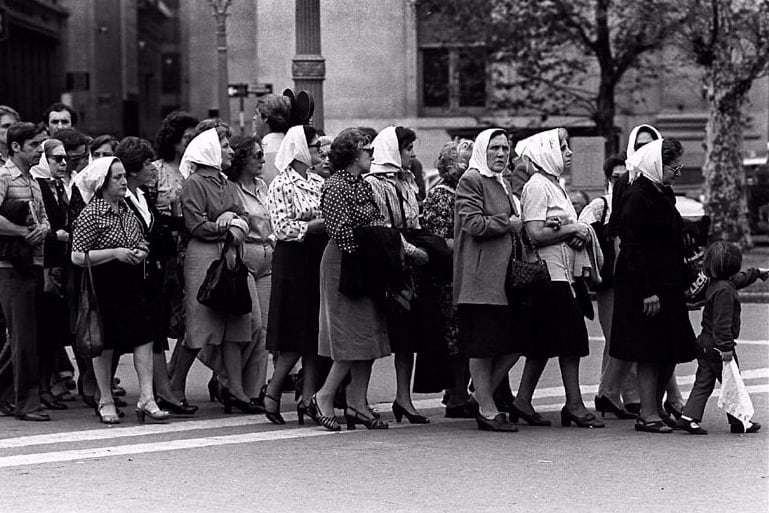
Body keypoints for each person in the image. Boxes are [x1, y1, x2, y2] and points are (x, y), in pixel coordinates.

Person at [513, 128, 605, 429]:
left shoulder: (554, 185)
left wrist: (572, 231)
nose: (568, 152)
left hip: (562, 273)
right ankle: (574, 404)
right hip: (549, 275)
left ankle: (523, 400)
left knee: (544, 343)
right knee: (571, 341)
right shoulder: (538, 186)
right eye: (562, 147)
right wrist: (571, 230)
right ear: (546, 151)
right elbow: (535, 233)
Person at [70, 157, 170, 424]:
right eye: (117, 177)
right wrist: (114, 253)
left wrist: (141, 251)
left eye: (124, 176)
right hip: (103, 283)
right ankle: (105, 400)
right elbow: (77, 256)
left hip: (132, 280)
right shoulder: (91, 213)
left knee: (144, 337)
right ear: (103, 182)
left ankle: (147, 398)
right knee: (106, 344)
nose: (124, 181)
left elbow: (140, 239)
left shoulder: (126, 208)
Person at [610, 138, 697, 434]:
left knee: (671, 348)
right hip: (646, 285)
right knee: (650, 350)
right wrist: (647, 290)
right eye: (675, 166)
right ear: (659, 164)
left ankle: (656, 406)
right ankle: (647, 413)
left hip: (668, 282)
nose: (679, 172)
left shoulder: (662, 192)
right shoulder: (638, 195)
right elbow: (633, 246)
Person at [169, 125, 257, 414]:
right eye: (225, 145)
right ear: (210, 150)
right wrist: (225, 225)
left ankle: (236, 389)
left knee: (234, 323)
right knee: (200, 325)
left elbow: (243, 216)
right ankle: (175, 387)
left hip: (230, 253)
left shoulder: (225, 182)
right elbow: (195, 224)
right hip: (204, 256)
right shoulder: (195, 182)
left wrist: (232, 224)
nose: (231, 150)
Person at [313, 128, 391, 431]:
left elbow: (374, 221)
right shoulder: (335, 185)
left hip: (365, 262)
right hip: (345, 263)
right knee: (351, 337)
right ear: (351, 154)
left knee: (368, 335)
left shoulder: (362, 184)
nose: (371, 153)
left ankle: (358, 402)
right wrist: (375, 243)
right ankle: (324, 395)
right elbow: (340, 231)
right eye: (366, 148)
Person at [115, 136, 197, 416]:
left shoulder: (142, 194)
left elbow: (157, 223)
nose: (152, 168)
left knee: (157, 332)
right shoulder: (122, 196)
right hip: (130, 274)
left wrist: (182, 221)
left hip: (152, 272)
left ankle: (162, 392)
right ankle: (150, 393)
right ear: (133, 168)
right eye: (147, 163)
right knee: (141, 334)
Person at [454, 129, 528, 432]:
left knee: (515, 342)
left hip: (505, 279)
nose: (501, 153)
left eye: (505, 148)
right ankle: (486, 408)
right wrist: (506, 224)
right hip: (480, 278)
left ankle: (480, 394)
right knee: (482, 347)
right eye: (495, 148)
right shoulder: (471, 180)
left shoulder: (503, 182)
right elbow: (472, 223)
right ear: (483, 150)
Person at [198, 135, 273, 410]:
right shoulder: (230, 188)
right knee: (249, 324)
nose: (263, 160)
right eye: (257, 155)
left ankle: (253, 390)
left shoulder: (263, 186)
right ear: (243, 159)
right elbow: (227, 218)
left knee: (265, 330)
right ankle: (227, 379)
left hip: (268, 256)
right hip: (245, 258)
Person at [365, 125, 430, 424]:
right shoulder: (374, 183)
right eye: (408, 149)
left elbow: (413, 220)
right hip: (388, 260)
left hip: (407, 263)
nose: (413, 154)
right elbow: (383, 226)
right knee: (374, 332)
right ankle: (357, 397)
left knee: (408, 334)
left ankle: (403, 398)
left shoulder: (407, 180)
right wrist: (412, 251)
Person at [263, 125, 327, 425]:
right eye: (314, 147)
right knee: (293, 332)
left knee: (315, 332)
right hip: (293, 261)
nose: (319, 152)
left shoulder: (318, 181)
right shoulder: (280, 184)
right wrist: (313, 223)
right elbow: (283, 227)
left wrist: (311, 220)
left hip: (316, 258)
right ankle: (273, 390)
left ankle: (309, 396)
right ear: (300, 149)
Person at [677, 242, 767, 435]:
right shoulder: (725, 291)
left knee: (704, 381)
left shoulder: (716, 284)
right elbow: (722, 324)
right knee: (732, 381)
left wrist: (757, 273)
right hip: (718, 345)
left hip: (704, 343)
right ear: (733, 266)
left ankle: (688, 416)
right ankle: (740, 420)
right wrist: (726, 347)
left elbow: (740, 279)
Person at [578, 153, 636, 419]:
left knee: (621, 339)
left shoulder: (633, 202)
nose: (619, 181)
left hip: (630, 280)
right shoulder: (601, 205)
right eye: (615, 177)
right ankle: (614, 395)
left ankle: (612, 394)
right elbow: (580, 229)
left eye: (624, 176)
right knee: (618, 339)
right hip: (609, 282)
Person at [422, 138, 476, 418]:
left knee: (464, 335)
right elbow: (438, 240)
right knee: (456, 337)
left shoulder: (461, 192)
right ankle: (456, 393)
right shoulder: (443, 196)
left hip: (462, 273)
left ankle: (459, 391)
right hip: (448, 277)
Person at [0, 122, 50, 421]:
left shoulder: (33, 181)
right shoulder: (4, 176)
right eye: (33, 146)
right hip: (9, 267)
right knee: (23, 338)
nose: (38, 152)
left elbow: (43, 219)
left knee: (24, 337)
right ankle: (26, 403)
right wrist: (22, 231)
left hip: (32, 264)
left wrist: (41, 230)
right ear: (16, 146)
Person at [30, 139, 72, 411]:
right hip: (44, 264)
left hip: (59, 264)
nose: (64, 163)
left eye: (64, 158)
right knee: (41, 331)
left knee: (52, 331)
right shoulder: (38, 184)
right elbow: (37, 224)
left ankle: (47, 387)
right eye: (57, 158)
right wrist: (55, 235)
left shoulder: (58, 185)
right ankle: (40, 389)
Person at [252, 94, 292, 186]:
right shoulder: (294, 147)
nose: (254, 118)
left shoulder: (260, 152)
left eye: (256, 114)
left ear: (265, 117)